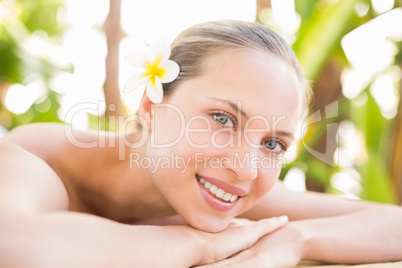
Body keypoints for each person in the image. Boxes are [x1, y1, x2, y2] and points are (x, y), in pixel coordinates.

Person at [0, 20, 401, 268]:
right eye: (223, 119)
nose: (246, 168)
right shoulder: (39, 160)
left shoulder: (225, 187)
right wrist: (196, 245)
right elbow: (27, 253)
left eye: (273, 144)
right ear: (152, 107)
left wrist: (297, 239)